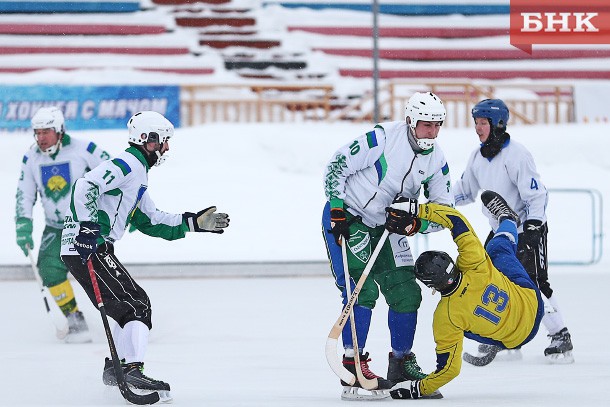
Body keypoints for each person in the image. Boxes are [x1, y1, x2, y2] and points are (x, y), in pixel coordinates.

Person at [60, 111, 230, 400]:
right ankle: (132, 370)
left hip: (88, 245)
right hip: (88, 245)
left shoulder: (137, 174)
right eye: (163, 142)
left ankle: (118, 368)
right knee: (137, 305)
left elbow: (150, 219)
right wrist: (89, 229)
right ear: (148, 140)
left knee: (126, 306)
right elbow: (85, 185)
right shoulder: (127, 164)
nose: (166, 148)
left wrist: (193, 223)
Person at [322, 92, 453, 399]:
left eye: (437, 125)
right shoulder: (381, 138)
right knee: (362, 289)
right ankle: (353, 364)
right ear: (410, 121)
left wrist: (414, 223)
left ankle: (401, 364)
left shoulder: (437, 159)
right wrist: (338, 207)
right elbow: (337, 165)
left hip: (387, 228)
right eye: (426, 125)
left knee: (406, 293)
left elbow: (444, 211)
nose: (431, 132)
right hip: (347, 219)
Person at [390, 191, 544, 399]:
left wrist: (418, 388)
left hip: (514, 339)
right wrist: (418, 209)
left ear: (430, 285)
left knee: (459, 329)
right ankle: (508, 219)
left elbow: (449, 370)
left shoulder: (446, 316)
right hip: (532, 302)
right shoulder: (473, 260)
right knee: (497, 249)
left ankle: (493, 336)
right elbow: (456, 219)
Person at [453, 98, 573, 364]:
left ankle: (560, 334)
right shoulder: (477, 157)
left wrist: (533, 226)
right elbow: (465, 192)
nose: (477, 128)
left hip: (528, 228)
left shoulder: (517, 154)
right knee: (493, 281)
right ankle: (506, 337)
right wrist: (438, 197)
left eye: (482, 122)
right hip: (500, 231)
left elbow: (537, 194)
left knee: (533, 282)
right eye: (475, 122)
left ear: (497, 124)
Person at [15, 106, 111, 343]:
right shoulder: (31, 157)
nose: (40, 138)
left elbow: (114, 173)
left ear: (59, 131)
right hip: (55, 228)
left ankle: (123, 317)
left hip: (85, 226)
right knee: (48, 270)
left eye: (46, 132)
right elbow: (24, 194)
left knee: (99, 272)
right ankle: (75, 319)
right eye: (36, 132)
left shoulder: (84, 149)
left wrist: (123, 210)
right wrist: (23, 225)